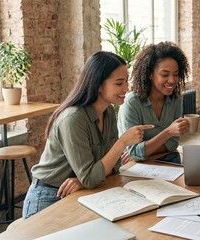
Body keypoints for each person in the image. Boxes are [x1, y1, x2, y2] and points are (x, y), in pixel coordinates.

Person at [22, 51, 153, 218]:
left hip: (81, 191)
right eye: (119, 83)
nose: (126, 88)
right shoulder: (73, 119)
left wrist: (83, 180)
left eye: (126, 82)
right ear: (98, 85)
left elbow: (113, 167)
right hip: (50, 196)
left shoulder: (108, 113)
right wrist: (122, 143)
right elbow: (92, 177)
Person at [117, 41, 190, 161]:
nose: (172, 80)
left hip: (165, 163)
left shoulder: (176, 100)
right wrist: (168, 133)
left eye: (176, 74)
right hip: (134, 169)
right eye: (165, 75)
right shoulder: (132, 103)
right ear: (150, 74)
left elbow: (173, 144)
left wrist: (144, 151)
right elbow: (134, 151)